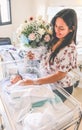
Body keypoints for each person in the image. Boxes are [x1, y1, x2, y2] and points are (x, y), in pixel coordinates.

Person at [10, 8, 78, 99]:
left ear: (71, 29)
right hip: (47, 82)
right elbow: (46, 55)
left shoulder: (70, 49)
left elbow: (59, 75)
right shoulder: (55, 39)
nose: (57, 30)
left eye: (61, 28)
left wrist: (35, 82)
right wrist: (34, 56)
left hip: (61, 88)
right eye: (56, 26)